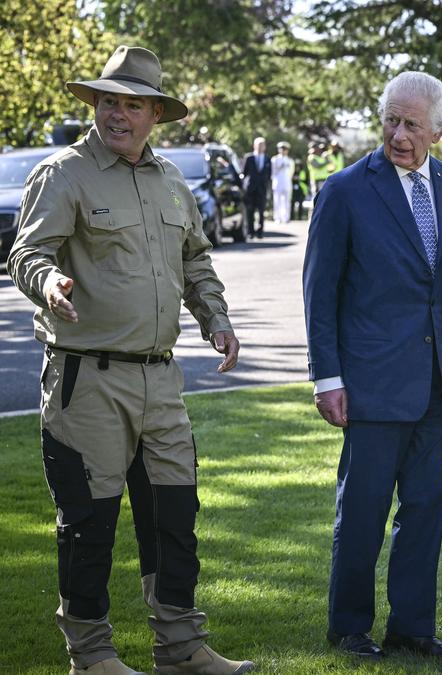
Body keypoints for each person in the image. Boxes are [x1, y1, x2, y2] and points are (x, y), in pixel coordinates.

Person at [7, 45, 253, 675]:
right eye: (110, 101)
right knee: (88, 525)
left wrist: (216, 320)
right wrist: (49, 283)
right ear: (97, 106)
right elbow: (27, 253)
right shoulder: (64, 174)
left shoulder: (172, 181)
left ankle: (180, 647)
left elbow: (196, 261)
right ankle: (91, 657)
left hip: (162, 380)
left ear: (154, 115)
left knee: (174, 518)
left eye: (133, 104)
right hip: (87, 379)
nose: (119, 114)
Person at [302, 71, 442, 661]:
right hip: (370, 385)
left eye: (411, 124)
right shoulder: (344, 191)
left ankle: (412, 628)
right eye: (390, 119)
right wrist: (326, 378)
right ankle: (349, 626)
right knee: (361, 510)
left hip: (438, 384)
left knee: (427, 508)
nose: (398, 134)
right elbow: (319, 293)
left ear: (440, 129)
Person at [240, 137, 270, 238]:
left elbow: (269, 174)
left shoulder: (267, 159)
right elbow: (244, 173)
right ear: (254, 146)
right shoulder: (249, 157)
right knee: (250, 211)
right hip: (250, 189)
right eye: (259, 145)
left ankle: (260, 232)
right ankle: (250, 231)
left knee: (261, 211)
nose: (261, 147)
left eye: (263, 145)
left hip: (262, 189)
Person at [270, 141, 294, 227]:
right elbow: (273, 172)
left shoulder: (290, 160)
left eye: (285, 149)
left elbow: (291, 173)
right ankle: (277, 217)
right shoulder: (275, 159)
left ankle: (286, 217)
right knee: (277, 201)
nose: (283, 151)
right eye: (281, 149)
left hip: (287, 183)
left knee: (287, 201)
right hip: (277, 182)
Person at [291, 152, 309, 221]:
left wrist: (298, 179)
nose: (297, 167)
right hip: (293, 190)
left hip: (301, 190)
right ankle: (292, 217)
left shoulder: (302, 172)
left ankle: (299, 218)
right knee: (292, 204)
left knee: (300, 204)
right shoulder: (292, 172)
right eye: (296, 166)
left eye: (298, 166)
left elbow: (304, 179)